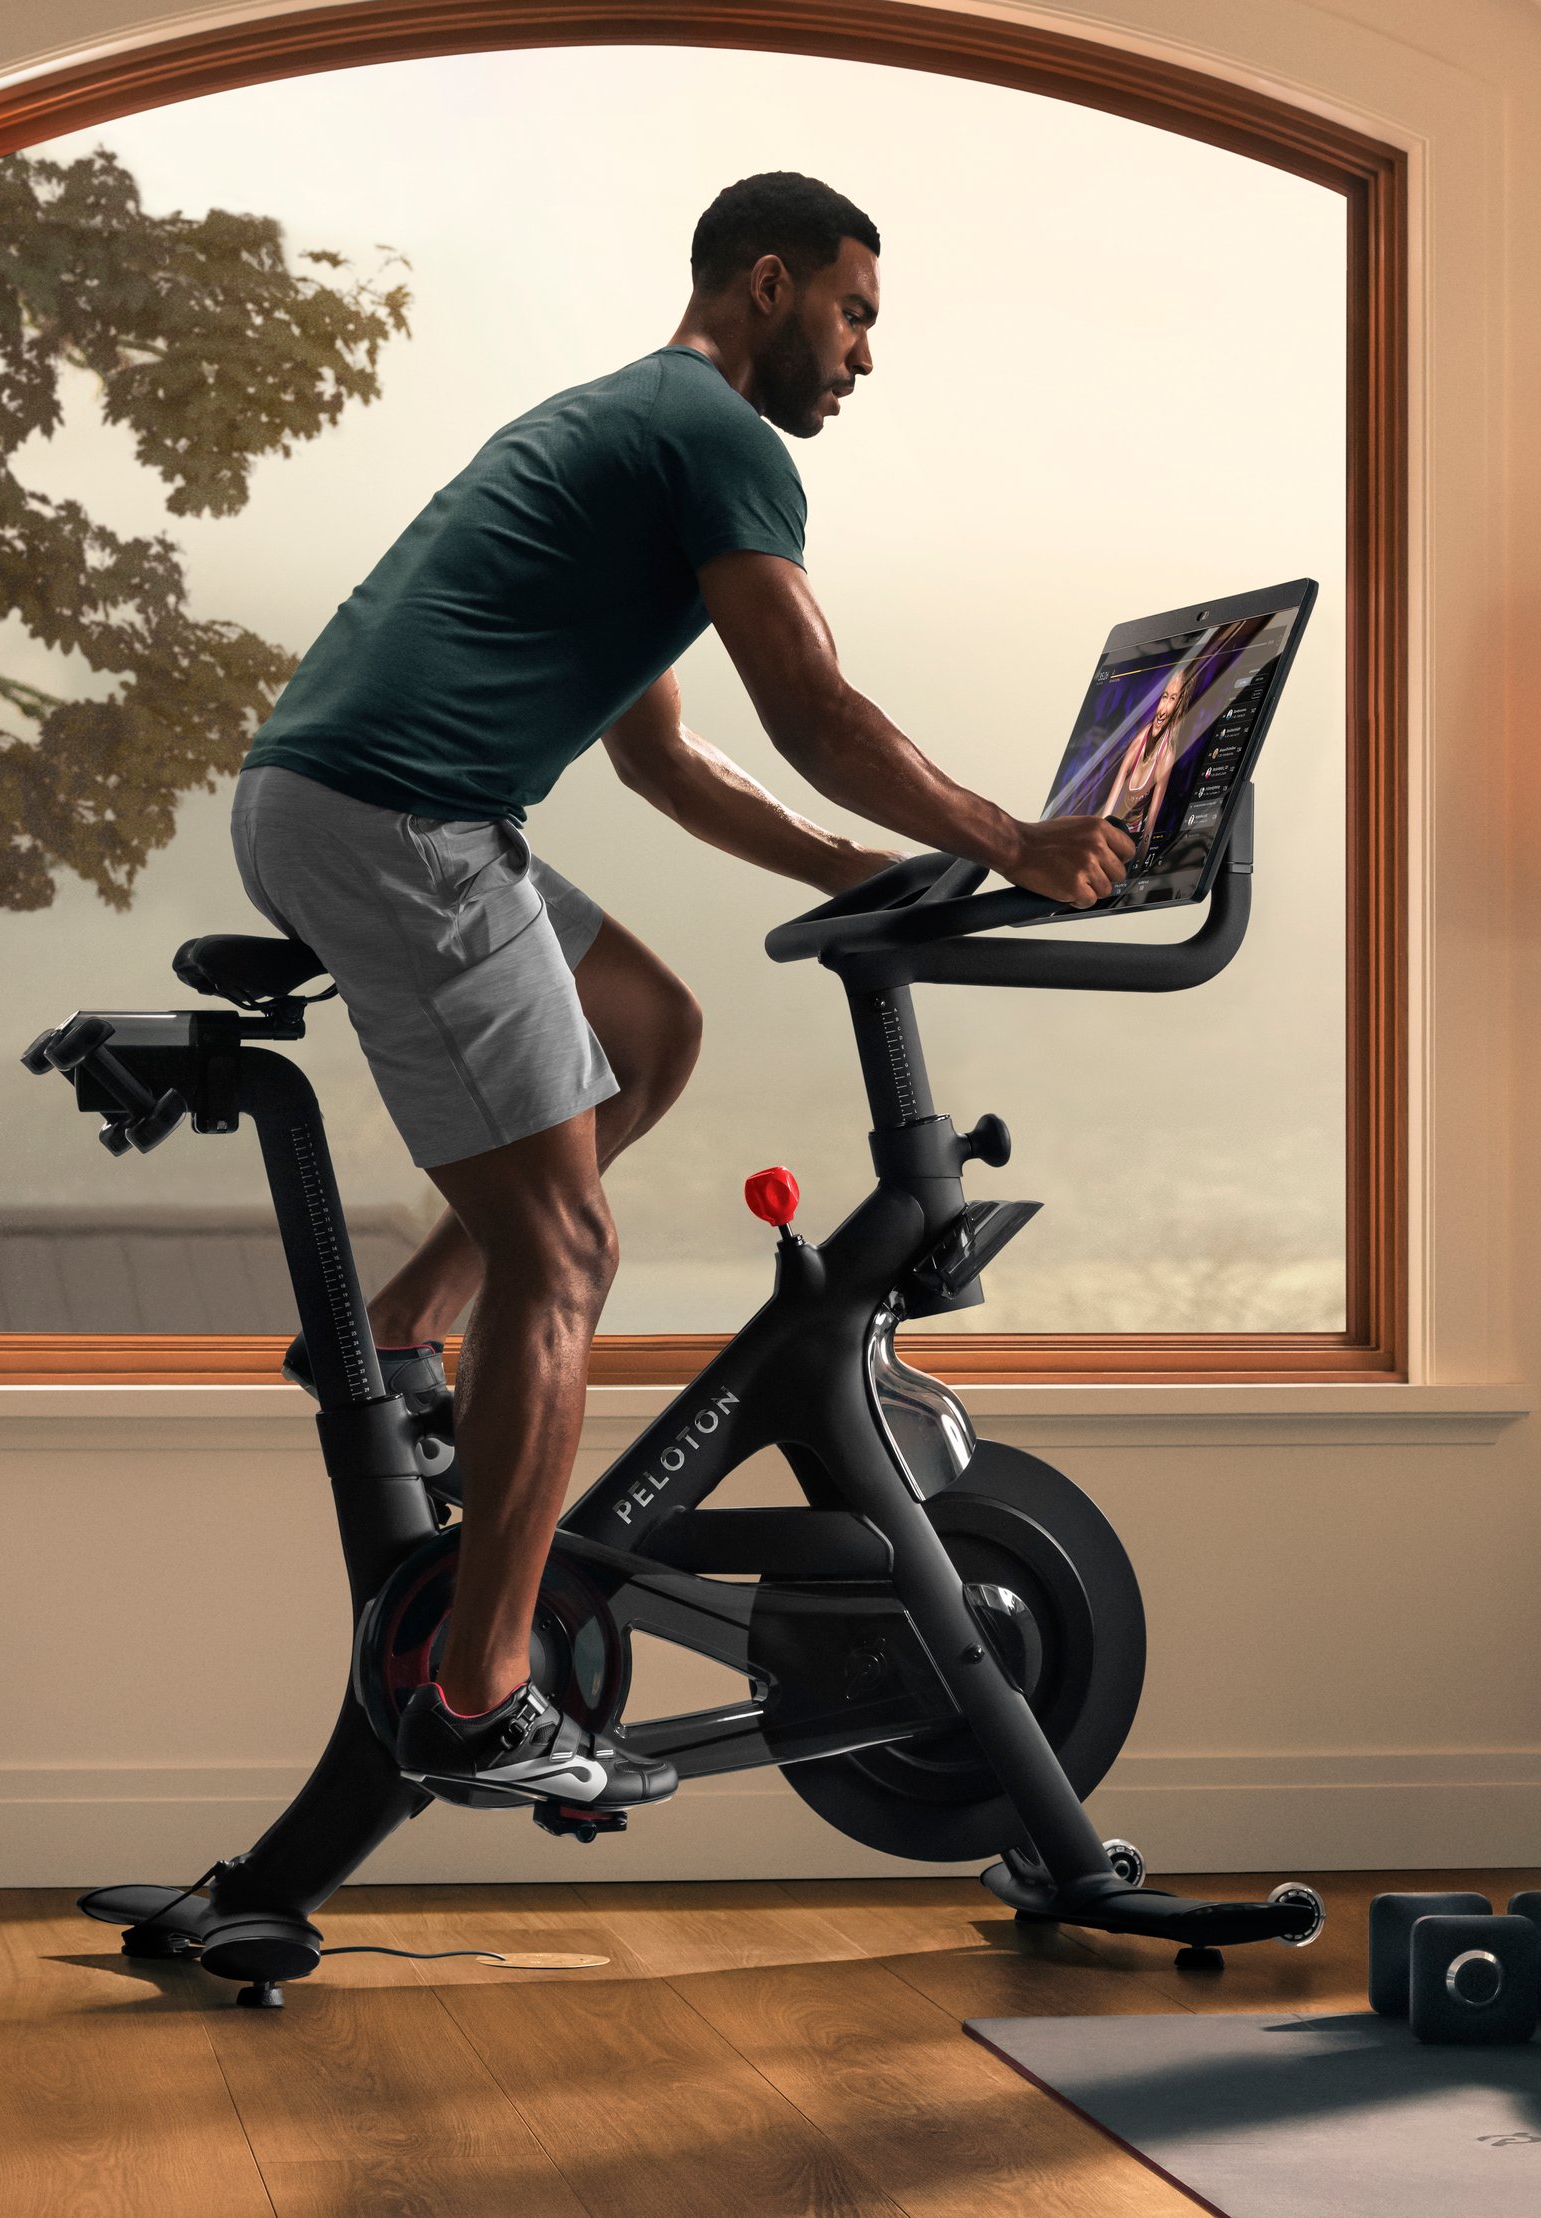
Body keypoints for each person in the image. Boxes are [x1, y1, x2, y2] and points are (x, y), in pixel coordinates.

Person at [228, 173, 1134, 1812]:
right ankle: (481, 1692)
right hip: (396, 815)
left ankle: (400, 1325)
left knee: (650, 1033)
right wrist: (1012, 838)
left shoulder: (633, 436)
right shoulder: (720, 437)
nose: (864, 354)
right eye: (857, 314)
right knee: (566, 1244)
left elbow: (662, 757)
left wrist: (848, 874)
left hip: (367, 804)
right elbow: (813, 704)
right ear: (770, 285)